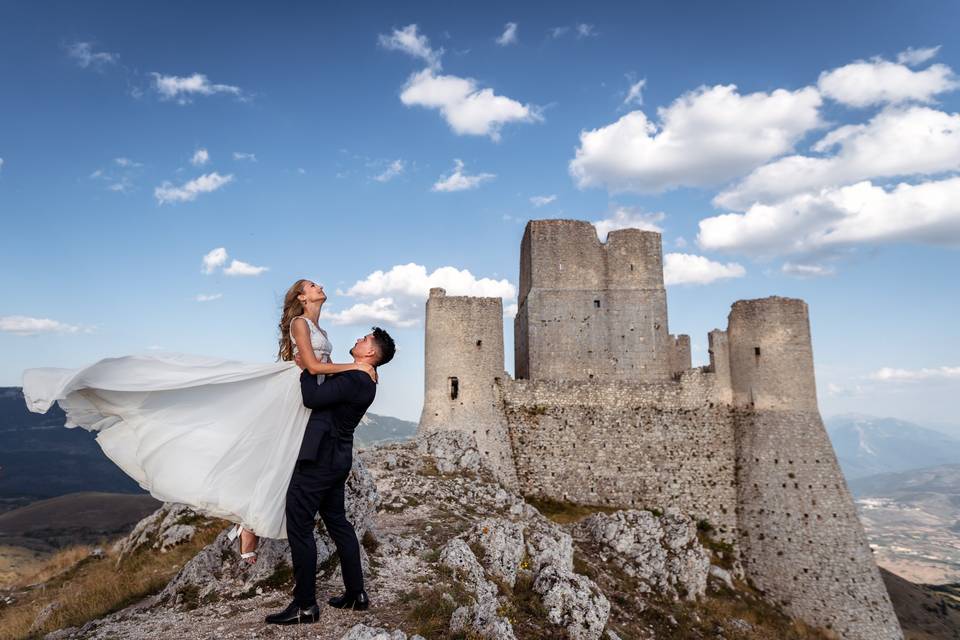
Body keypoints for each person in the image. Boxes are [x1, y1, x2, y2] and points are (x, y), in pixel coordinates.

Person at [20, 279, 376, 562]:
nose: (319, 287)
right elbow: (313, 367)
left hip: (309, 401)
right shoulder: (300, 322)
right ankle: (248, 524)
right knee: (266, 451)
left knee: (279, 459)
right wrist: (357, 366)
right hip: (293, 393)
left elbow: (318, 370)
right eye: (313, 285)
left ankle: (248, 523)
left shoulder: (322, 329)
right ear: (301, 296)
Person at [265, 326, 395, 625]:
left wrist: (306, 369)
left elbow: (312, 398)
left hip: (319, 460)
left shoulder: (356, 378)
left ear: (371, 352)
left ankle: (305, 605)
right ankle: (356, 593)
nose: (358, 339)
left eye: (364, 339)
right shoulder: (366, 379)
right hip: (337, 461)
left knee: (299, 525)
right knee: (337, 522)